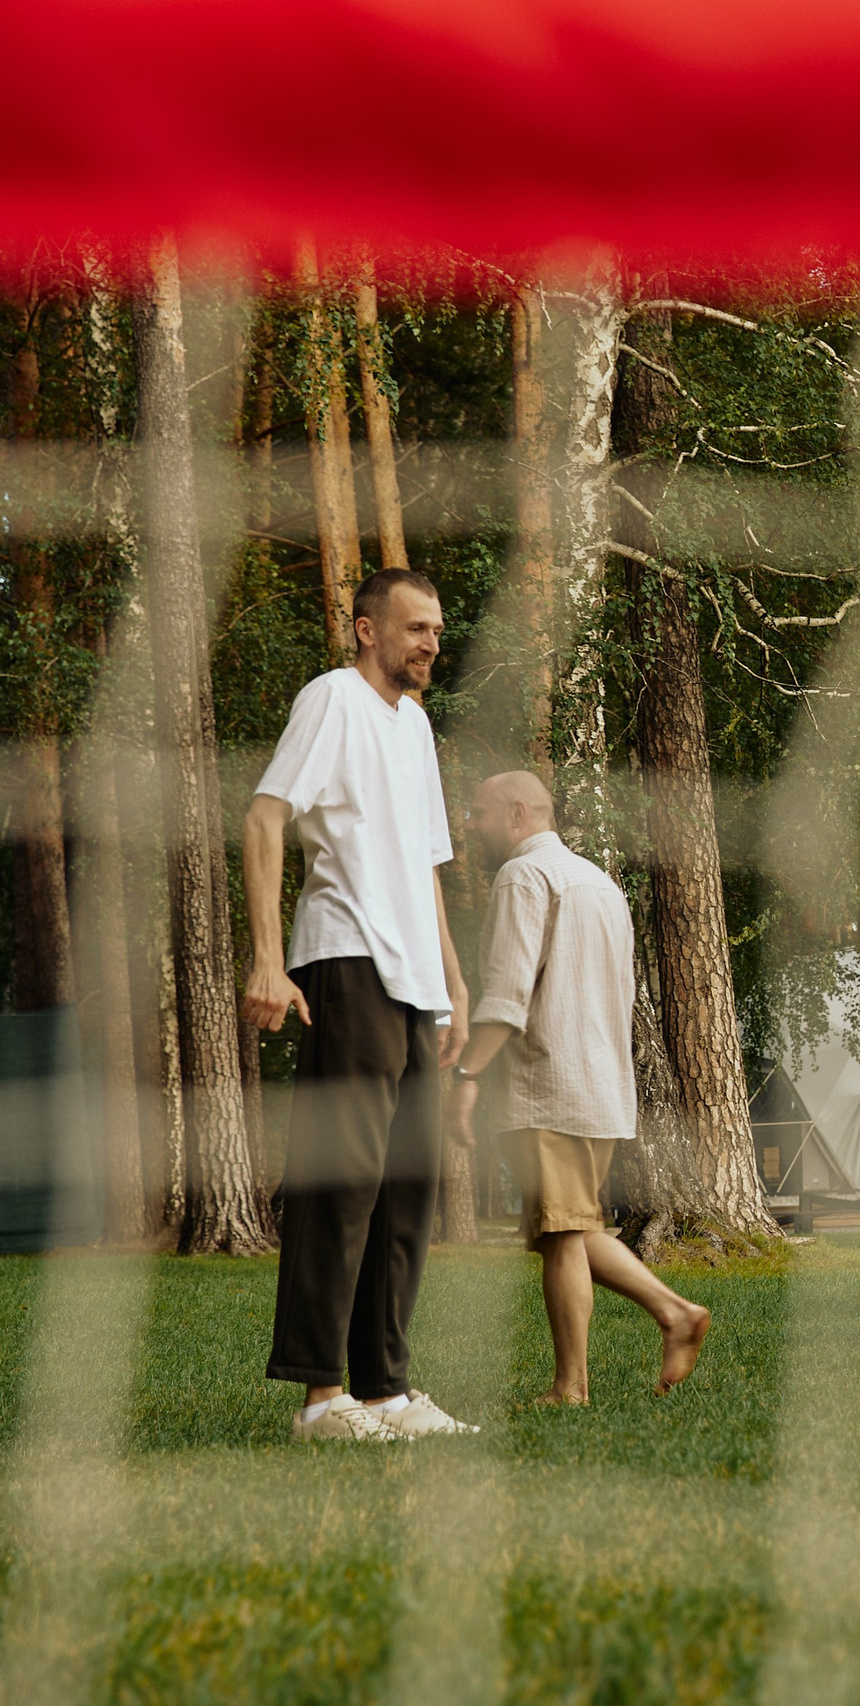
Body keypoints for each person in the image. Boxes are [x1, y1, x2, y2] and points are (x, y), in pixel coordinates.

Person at [243, 568, 478, 1442]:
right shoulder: (332, 699)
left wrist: (453, 981)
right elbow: (266, 818)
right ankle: (319, 1399)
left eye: (438, 629)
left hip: (417, 985)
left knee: (407, 1193)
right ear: (366, 629)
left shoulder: (414, 727)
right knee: (341, 1189)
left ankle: (385, 1393)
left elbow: (424, 865)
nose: (430, 643)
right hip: (345, 963)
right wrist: (272, 961)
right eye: (415, 627)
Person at [445, 771, 711, 1403]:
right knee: (566, 1227)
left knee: (562, 1234)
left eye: (477, 813)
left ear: (515, 814)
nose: (468, 825)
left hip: (548, 1082)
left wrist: (467, 1073)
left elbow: (508, 993)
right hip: (600, 1087)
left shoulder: (522, 875)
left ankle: (572, 1386)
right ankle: (675, 1314)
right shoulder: (598, 881)